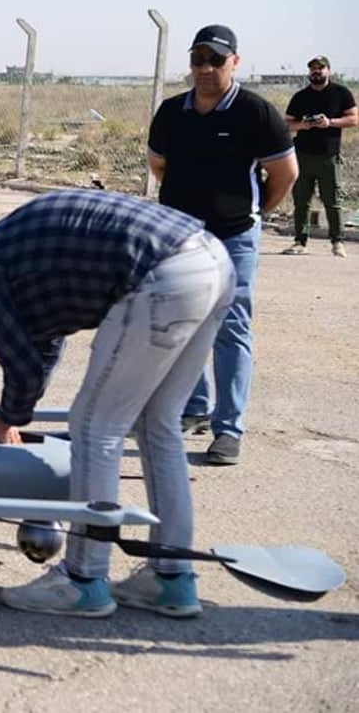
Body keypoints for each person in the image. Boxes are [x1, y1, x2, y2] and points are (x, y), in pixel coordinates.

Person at [0, 189, 235, 618]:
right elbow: (43, 348)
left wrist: (5, 422)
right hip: (211, 261)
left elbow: (22, 367)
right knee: (157, 423)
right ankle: (170, 580)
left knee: (95, 426)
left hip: (160, 272)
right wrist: (12, 417)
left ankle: (83, 581)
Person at [147, 24, 297, 466]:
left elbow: (285, 175)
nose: (206, 68)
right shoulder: (173, 112)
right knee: (181, 323)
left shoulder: (256, 113)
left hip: (234, 238)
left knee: (230, 329)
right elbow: (160, 166)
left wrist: (249, 214)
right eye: (199, 60)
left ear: (235, 61)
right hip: (180, 237)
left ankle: (228, 429)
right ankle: (193, 408)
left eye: (216, 59)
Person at [282, 56, 358, 258]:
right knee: (301, 200)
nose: (316, 72)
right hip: (303, 155)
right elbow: (287, 124)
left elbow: (353, 119)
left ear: (328, 71)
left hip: (328, 156)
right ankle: (300, 241)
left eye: (320, 68)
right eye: (313, 69)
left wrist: (329, 122)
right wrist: (304, 125)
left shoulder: (341, 93)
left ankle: (337, 242)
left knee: (332, 201)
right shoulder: (301, 97)